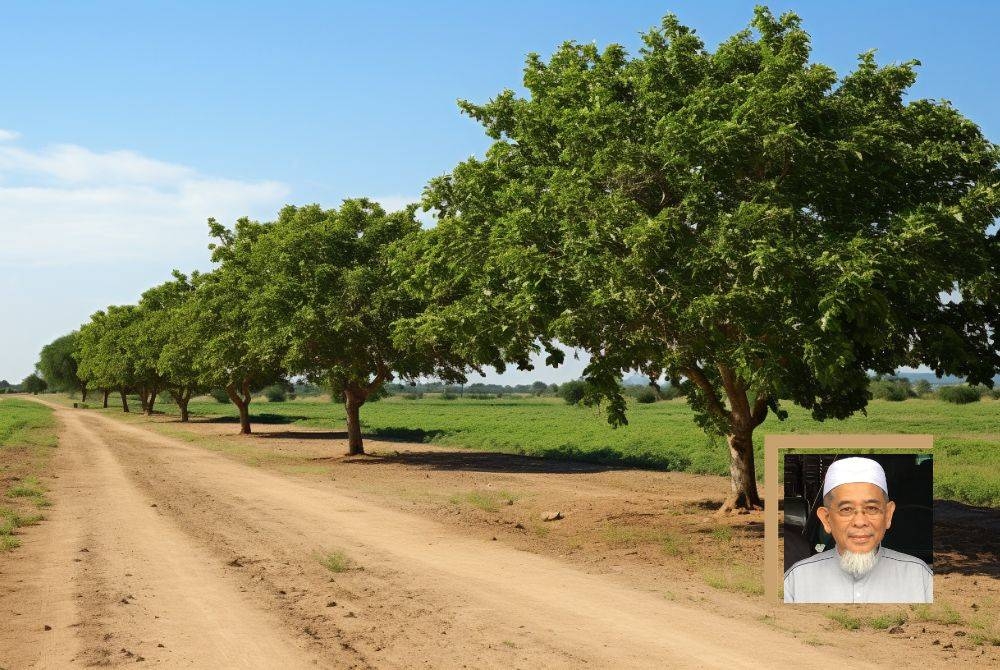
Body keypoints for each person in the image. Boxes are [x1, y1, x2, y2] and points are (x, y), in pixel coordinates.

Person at [784, 456, 932, 603]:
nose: (860, 522)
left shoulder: (920, 578)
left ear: (888, 515)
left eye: (872, 508)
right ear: (826, 519)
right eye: (846, 509)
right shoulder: (796, 581)